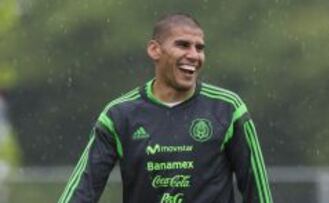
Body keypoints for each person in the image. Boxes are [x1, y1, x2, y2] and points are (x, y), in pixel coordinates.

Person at [58, 13, 273, 203]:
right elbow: (83, 189)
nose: (194, 55)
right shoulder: (119, 115)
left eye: (199, 48)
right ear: (154, 50)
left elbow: (258, 191)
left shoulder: (228, 108)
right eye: (183, 45)